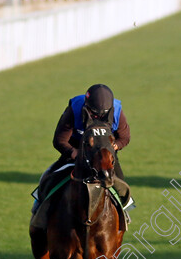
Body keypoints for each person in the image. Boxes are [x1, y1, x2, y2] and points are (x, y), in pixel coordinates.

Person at [31, 84, 134, 224]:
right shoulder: (74, 109)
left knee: (121, 184)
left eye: (102, 114)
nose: (98, 117)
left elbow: (124, 138)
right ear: (86, 106)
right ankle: (39, 207)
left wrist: (113, 147)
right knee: (50, 177)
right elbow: (59, 140)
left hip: (103, 152)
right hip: (76, 148)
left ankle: (123, 211)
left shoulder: (117, 112)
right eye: (94, 114)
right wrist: (74, 153)